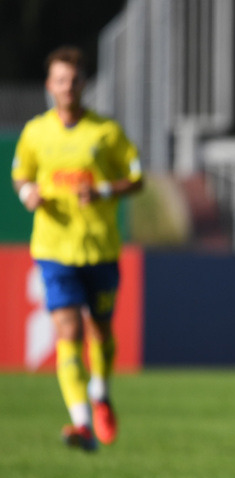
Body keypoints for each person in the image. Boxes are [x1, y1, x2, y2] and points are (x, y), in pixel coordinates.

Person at [11, 46, 144, 451]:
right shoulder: (35, 132)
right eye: (59, 80)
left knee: (100, 329)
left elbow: (136, 178)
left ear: (83, 84)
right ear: (49, 85)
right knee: (68, 329)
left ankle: (100, 392)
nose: (66, 87)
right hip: (53, 250)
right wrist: (28, 193)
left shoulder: (105, 132)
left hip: (99, 249)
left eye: (73, 80)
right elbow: (21, 175)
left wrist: (102, 190)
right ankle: (81, 423)